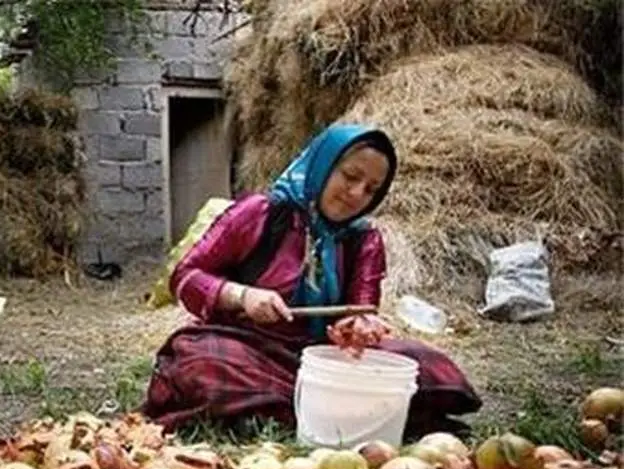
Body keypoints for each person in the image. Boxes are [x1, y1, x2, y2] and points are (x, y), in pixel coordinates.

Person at [142, 123, 482, 438]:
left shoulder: (363, 240)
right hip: (249, 348)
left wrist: (359, 326)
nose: (356, 194)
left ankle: (272, 408)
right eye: (350, 176)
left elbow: (361, 307)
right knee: (202, 363)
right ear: (323, 165)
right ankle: (350, 415)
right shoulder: (260, 214)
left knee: (425, 366)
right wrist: (242, 295)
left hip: (323, 358)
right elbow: (185, 276)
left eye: (371, 190)